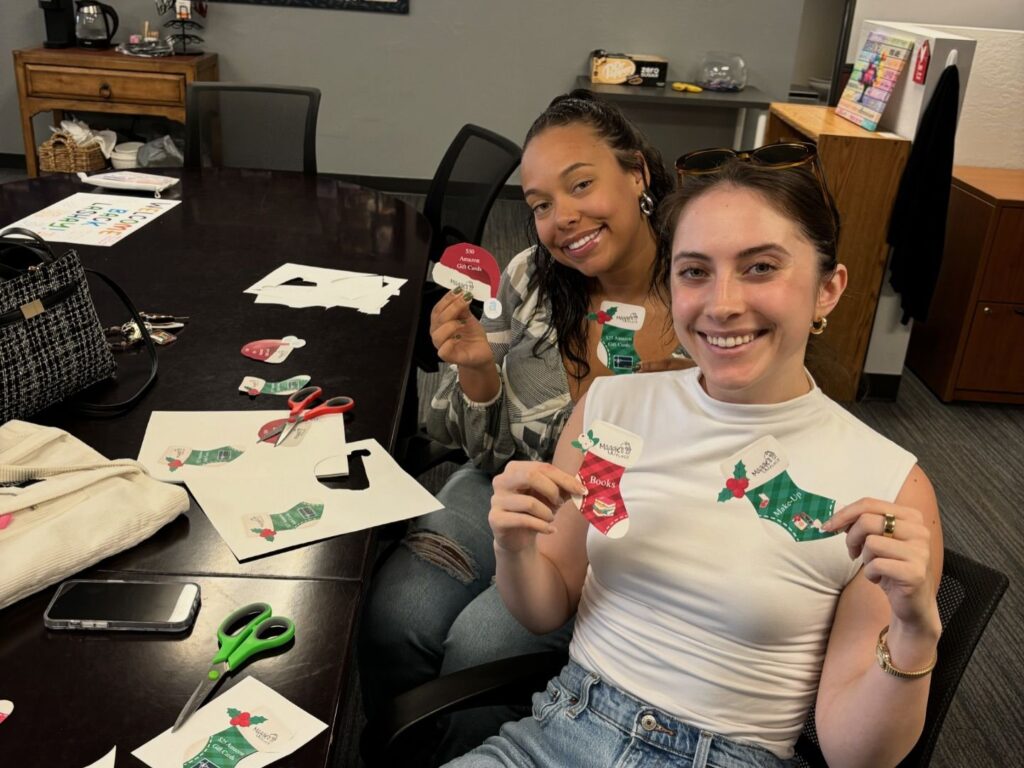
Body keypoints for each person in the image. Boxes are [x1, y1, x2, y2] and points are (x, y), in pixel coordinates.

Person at [445, 144, 943, 767]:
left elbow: (855, 757)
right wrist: (515, 545)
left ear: (827, 291)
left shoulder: (889, 484)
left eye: (761, 267)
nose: (722, 303)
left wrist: (916, 632)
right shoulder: (612, 408)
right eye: (694, 271)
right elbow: (547, 607)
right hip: (559, 729)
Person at [359, 90, 689, 757]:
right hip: (504, 489)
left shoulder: (703, 295)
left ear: (638, 174)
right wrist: (480, 374)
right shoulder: (531, 281)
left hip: (617, 531)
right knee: (395, 620)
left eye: (582, 185)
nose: (562, 219)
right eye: (540, 204)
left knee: (479, 648)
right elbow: (479, 450)